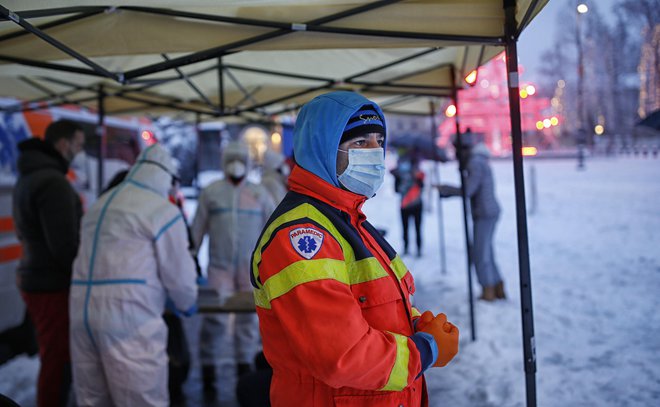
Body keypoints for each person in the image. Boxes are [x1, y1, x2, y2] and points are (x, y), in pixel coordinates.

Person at [250, 91, 459, 407]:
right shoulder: (303, 236)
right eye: (360, 143)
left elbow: (370, 308)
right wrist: (425, 349)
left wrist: (415, 324)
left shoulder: (349, 221)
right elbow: (342, 356)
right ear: (321, 149)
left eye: (378, 141)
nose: (375, 152)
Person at [69, 143, 198, 406]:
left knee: (92, 399)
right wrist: (187, 301)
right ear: (166, 176)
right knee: (140, 399)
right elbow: (180, 276)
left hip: (82, 318)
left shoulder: (101, 203)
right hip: (128, 322)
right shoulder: (161, 211)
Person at [191, 140, 276, 402]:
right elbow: (198, 228)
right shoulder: (211, 192)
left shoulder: (260, 194)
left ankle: (244, 366)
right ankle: (208, 369)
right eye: (231, 159)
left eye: (240, 158)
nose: (236, 164)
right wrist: (191, 254)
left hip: (249, 269)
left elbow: (273, 229)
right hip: (219, 268)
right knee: (214, 321)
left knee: (249, 322)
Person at [12, 119, 85, 407]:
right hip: (51, 283)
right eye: (78, 145)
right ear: (64, 144)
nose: (80, 152)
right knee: (58, 359)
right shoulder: (53, 182)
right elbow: (64, 246)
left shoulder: (31, 175)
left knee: (52, 355)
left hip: (35, 276)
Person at [436, 135, 505, 301]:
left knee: (480, 254)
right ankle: (497, 287)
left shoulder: (475, 163)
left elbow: (468, 190)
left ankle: (487, 290)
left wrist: (445, 189)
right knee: (487, 252)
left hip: (484, 213)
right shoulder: (478, 161)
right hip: (487, 212)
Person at [391, 154, 425, 257]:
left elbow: (422, 186)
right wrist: (397, 178)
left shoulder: (418, 174)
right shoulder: (399, 175)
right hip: (406, 205)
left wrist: (417, 180)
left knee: (417, 228)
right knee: (406, 228)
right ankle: (407, 248)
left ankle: (418, 249)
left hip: (415, 205)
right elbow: (396, 190)